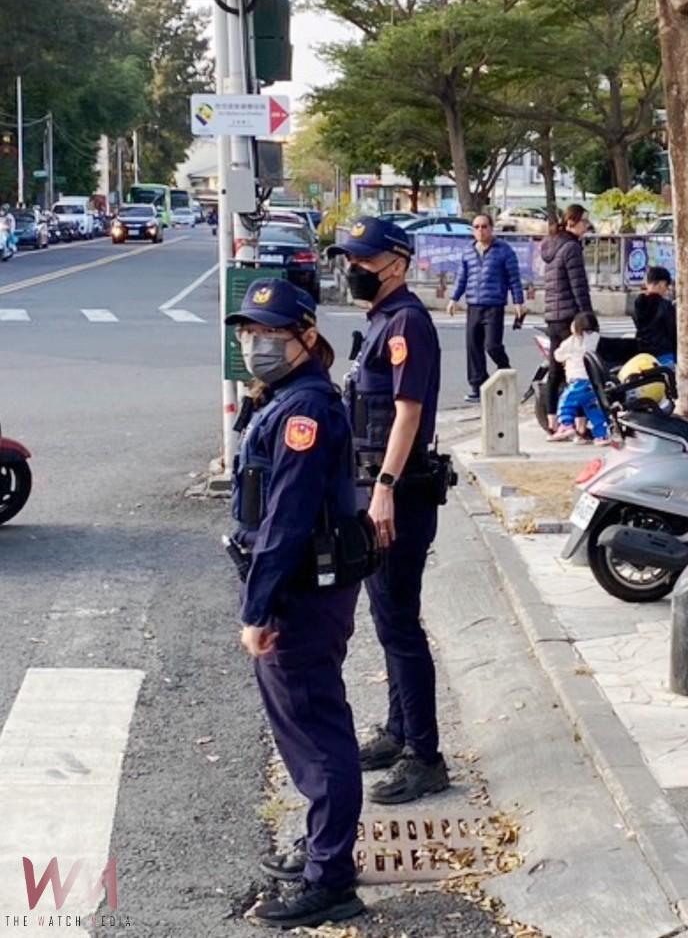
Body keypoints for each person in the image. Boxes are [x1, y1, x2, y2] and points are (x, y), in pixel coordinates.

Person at [226, 279, 366, 929]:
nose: (255, 344)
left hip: (299, 594)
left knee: (316, 731)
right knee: (305, 727)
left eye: (270, 334)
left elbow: (285, 519)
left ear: (306, 337)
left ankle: (331, 877)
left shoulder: (305, 410)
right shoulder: (284, 398)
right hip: (298, 586)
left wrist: (258, 609)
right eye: (249, 333)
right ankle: (321, 849)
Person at [336, 217, 450, 805]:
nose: (352, 269)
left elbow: (407, 414)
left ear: (396, 265)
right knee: (387, 617)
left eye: (362, 260)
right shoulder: (381, 320)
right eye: (349, 259)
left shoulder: (406, 321)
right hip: (378, 490)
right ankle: (399, 729)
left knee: (400, 622)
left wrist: (383, 487)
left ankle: (425, 756)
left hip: (398, 495)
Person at [447, 213, 526, 402]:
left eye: (484, 226)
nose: (480, 231)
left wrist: (518, 302)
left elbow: (513, 278)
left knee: (492, 345)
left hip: (494, 305)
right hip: (474, 304)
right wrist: (454, 298)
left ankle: (505, 373)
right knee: (473, 346)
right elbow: (462, 278)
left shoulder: (504, 250)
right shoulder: (468, 252)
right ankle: (477, 385)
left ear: (491, 228)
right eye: (476, 227)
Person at [540, 204, 595, 430]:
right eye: (585, 223)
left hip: (552, 316)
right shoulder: (571, 248)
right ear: (574, 222)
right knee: (579, 371)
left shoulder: (551, 245)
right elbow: (578, 287)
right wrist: (588, 318)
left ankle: (552, 422)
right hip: (570, 317)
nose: (587, 227)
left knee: (555, 370)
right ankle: (579, 426)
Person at [551, 312, 609, 444]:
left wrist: (566, 358)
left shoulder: (571, 341)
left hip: (577, 381)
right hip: (592, 382)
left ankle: (566, 425)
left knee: (566, 402)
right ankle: (602, 435)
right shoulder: (595, 338)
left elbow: (557, 356)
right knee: (594, 410)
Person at [632, 265, 677, 365]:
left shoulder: (638, 303)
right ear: (662, 284)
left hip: (643, 355)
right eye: (666, 286)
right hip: (664, 353)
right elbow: (672, 331)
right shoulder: (665, 305)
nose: (666, 290)